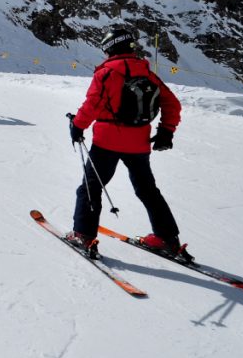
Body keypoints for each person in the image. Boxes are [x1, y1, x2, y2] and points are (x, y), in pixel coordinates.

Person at [64, 26, 183, 260]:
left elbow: (93, 105)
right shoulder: (147, 73)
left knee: (91, 187)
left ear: (109, 48)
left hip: (106, 143)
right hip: (139, 143)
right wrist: (166, 131)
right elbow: (173, 104)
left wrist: (77, 126)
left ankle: (83, 235)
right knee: (148, 190)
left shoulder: (107, 73)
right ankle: (167, 239)